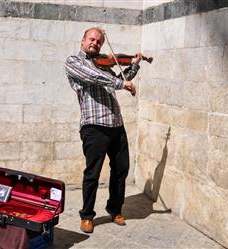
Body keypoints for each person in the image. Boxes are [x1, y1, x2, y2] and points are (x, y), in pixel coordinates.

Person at [64, 27, 142, 233]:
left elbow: (120, 79)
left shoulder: (104, 64)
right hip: (94, 126)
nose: (95, 44)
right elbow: (95, 77)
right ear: (83, 41)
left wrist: (133, 67)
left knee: (121, 169)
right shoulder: (74, 62)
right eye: (92, 39)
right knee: (93, 173)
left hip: (116, 124)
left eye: (99, 42)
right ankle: (87, 215)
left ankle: (115, 209)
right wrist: (122, 83)